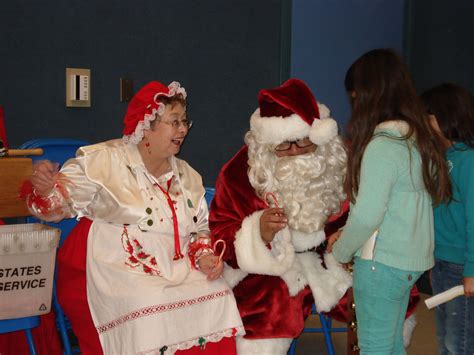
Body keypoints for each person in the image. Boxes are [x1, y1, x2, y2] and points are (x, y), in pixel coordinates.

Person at [25, 81, 244, 354]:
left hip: (173, 267)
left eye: (185, 121)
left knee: (217, 294)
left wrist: (205, 256)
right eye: (174, 122)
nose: (183, 129)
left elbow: (200, 229)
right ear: (147, 127)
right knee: (148, 303)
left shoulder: (187, 176)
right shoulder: (104, 162)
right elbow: (56, 208)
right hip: (109, 266)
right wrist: (46, 189)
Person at [208, 78, 352, 354]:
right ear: (266, 145)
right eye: (283, 146)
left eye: (303, 142)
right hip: (270, 266)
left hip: (325, 260)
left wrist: (342, 235)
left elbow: (352, 216)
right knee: (269, 304)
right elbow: (220, 236)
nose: (295, 151)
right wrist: (258, 233)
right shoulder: (240, 172)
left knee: (379, 285)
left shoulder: (335, 163)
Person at [329, 49, 452, 354]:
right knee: (391, 344)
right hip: (407, 265)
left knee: (374, 347)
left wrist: (342, 251)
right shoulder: (418, 141)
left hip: (379, 265)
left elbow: (368, 214)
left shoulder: (382, 146)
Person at [421, 83, 474, 355]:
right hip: (441, 262)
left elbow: (472, 220)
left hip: (460, 266)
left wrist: (471, 271)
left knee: (460, 342)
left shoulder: (468, 160)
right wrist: (432, 257)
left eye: (428, 117)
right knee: (444, 338)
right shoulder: (442, 158)